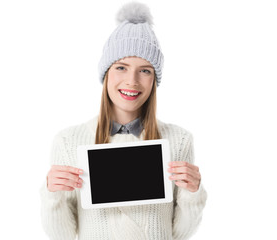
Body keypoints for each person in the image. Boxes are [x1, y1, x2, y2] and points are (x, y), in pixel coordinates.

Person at [40, 2, 207, 240]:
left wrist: (193, 193)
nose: (132, 81)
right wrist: (52, 194)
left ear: (154, 80)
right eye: (121, 67)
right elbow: (63, 235)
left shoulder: (178, 140)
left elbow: (178, 234)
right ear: (106, 72)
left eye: (145, 70)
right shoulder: (68, 141)